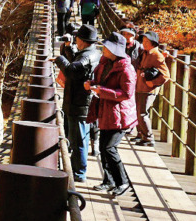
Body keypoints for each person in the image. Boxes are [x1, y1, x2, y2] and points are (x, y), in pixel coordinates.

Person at [85, 32, 137, 195]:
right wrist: (92, 84)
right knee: (103, 146)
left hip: (120, 115)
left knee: (109, 148)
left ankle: (123, 182)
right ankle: (109, 181)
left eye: (106, 47)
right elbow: (100, 82)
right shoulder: (105, 63)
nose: (103, 49)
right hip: (106, 110)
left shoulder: (126, 69)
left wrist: (102, 91)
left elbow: (126, 94)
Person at [54, 24, 102, 182]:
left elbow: (71, 71)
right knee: (77, 137)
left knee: (79, 139)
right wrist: (68, 49)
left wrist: (59, 59)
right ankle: (76, 169)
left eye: (77, 38)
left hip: (80, 102)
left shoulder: (87, 56)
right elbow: (77, 63)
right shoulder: (91, 53)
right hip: (78, 101)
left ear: (82, 40)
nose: (75, 40)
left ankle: (79, 173)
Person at [134, 31, 169, 146]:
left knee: (142, 113)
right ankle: (141, 135)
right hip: (139, 86)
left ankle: (149, 138)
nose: (144, 44)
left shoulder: (156, 55)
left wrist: (152, 83)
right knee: (139, 112)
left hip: (148, 89)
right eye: (143, 41)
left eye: (147, 42)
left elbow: (166, 75)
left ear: (153, 43)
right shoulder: (145, 53)